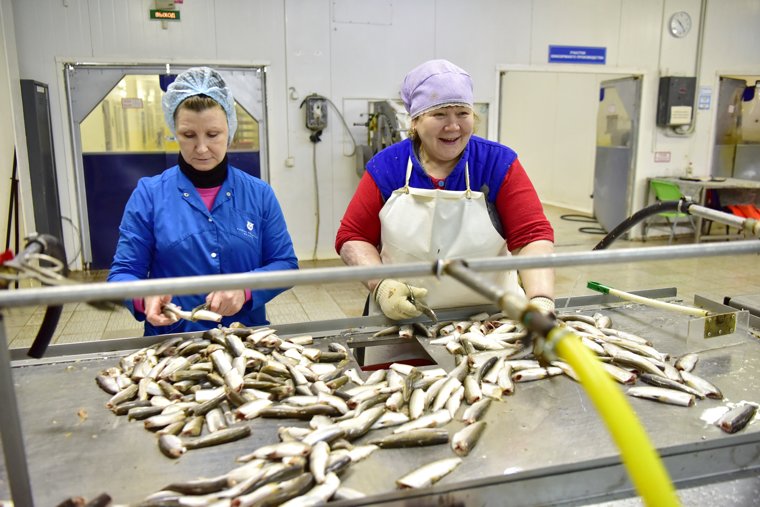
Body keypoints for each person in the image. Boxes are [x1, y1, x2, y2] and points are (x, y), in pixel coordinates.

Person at [336, 59, 555, 323]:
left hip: (492, 319)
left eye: (462, 113)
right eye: (439, 114)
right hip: (404, 317)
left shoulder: (497, 163)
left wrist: (541, 299)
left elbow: (532, 237)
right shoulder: (387, 166)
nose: (453, 126)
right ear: (415, 121)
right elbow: (353, 237)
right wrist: (382, 286)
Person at [108, 67, 298, 336]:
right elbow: (123, 272)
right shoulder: (149, 195)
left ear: (229, 130)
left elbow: (285, 264)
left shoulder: (259, 194)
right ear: (175, 131)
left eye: (213, 135)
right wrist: (143, 297)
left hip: (243, 339)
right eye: (188, 135)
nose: (201, 148)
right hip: (173, 341)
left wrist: (246, 289)